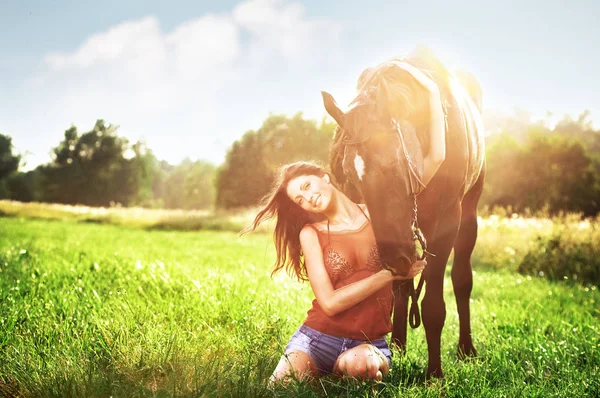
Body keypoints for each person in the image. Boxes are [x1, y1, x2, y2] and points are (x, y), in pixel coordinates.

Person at [244, 162, 427, 384]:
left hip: (368, 342)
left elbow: (432, 163)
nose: (308, 198)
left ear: (325, 177)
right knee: (280, 388)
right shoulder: (310, 233)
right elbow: (329, 303)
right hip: (317, 338)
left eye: (307, 186)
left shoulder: (378, 216)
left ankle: (343, 374)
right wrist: (389, 275)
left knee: (362, 365)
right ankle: (332, 374)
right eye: (299, 200)